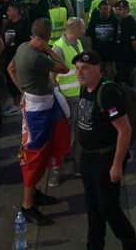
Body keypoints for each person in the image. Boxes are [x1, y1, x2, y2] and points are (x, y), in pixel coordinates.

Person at [73, 50, 136, 250]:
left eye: (85, 68)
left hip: (105, 160)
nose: (80, 73)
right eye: (78, 68)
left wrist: (116, 165)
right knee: (93, 206)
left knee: (108, 209)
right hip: (88, 159)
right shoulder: (84, 89)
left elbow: (125, 130)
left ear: (98, 69)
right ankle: (94, 246)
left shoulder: (108, 93)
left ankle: (132, 245)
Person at [7, 18, 71, 226]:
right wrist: (48, 49)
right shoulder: (38, 56)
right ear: (48, 35)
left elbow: (10, 69)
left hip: (31, 103)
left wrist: (23, 91)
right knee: (36, 153)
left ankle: (33, 193)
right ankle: (27, 206)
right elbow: (63, 68)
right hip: (40, 111)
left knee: (37, 148)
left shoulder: (22, 48)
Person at [50, 17, 86, 185]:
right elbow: (52, 77)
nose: (85, 30)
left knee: (79, 134)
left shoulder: (77, 43)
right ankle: (57, 171)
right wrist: (60, 97)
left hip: (79, 97)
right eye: (83, 27)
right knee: (63, 136)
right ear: (77, 29)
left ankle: (78, 165)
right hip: (66, 100)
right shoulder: (59, 48)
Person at [113, 0, 136, 87]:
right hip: (119, 58)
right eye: (117, 10)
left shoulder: (130, 22)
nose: (118, 12)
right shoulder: (120, 20)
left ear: (127, 9)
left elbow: (135, 44)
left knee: (126, 84)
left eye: (120, 9)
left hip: (126, 59)